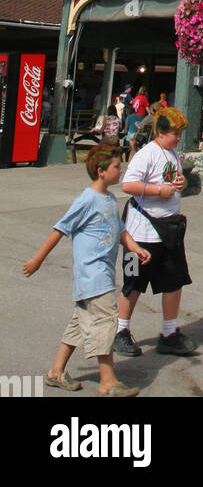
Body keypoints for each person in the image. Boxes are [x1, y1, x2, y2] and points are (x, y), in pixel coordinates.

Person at [23, 144, 151, 397]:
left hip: (100, 275)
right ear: (102, 171)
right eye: (116, 166)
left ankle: (56, 372)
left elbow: (120, 230)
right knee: (105, 322)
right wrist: (37, 260)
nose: (121, 169)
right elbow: (60, 229)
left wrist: (135, 247)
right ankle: (107, 381)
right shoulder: (87, 199)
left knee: (79, 325)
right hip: (92, 276)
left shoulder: (110, 199)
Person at [114, 108, 195, 358]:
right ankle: (120, 332)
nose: (178, 137)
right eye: (174, 133)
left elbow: (176, 180)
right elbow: (128, 184)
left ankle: (169, 334)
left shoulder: (173, 154)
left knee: (174, 282)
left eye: (180, 133)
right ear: (160, 133)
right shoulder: (146, 154)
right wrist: (158, 191)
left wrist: (183, 182)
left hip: (168, 232)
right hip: (141, 235)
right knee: (134, 284)